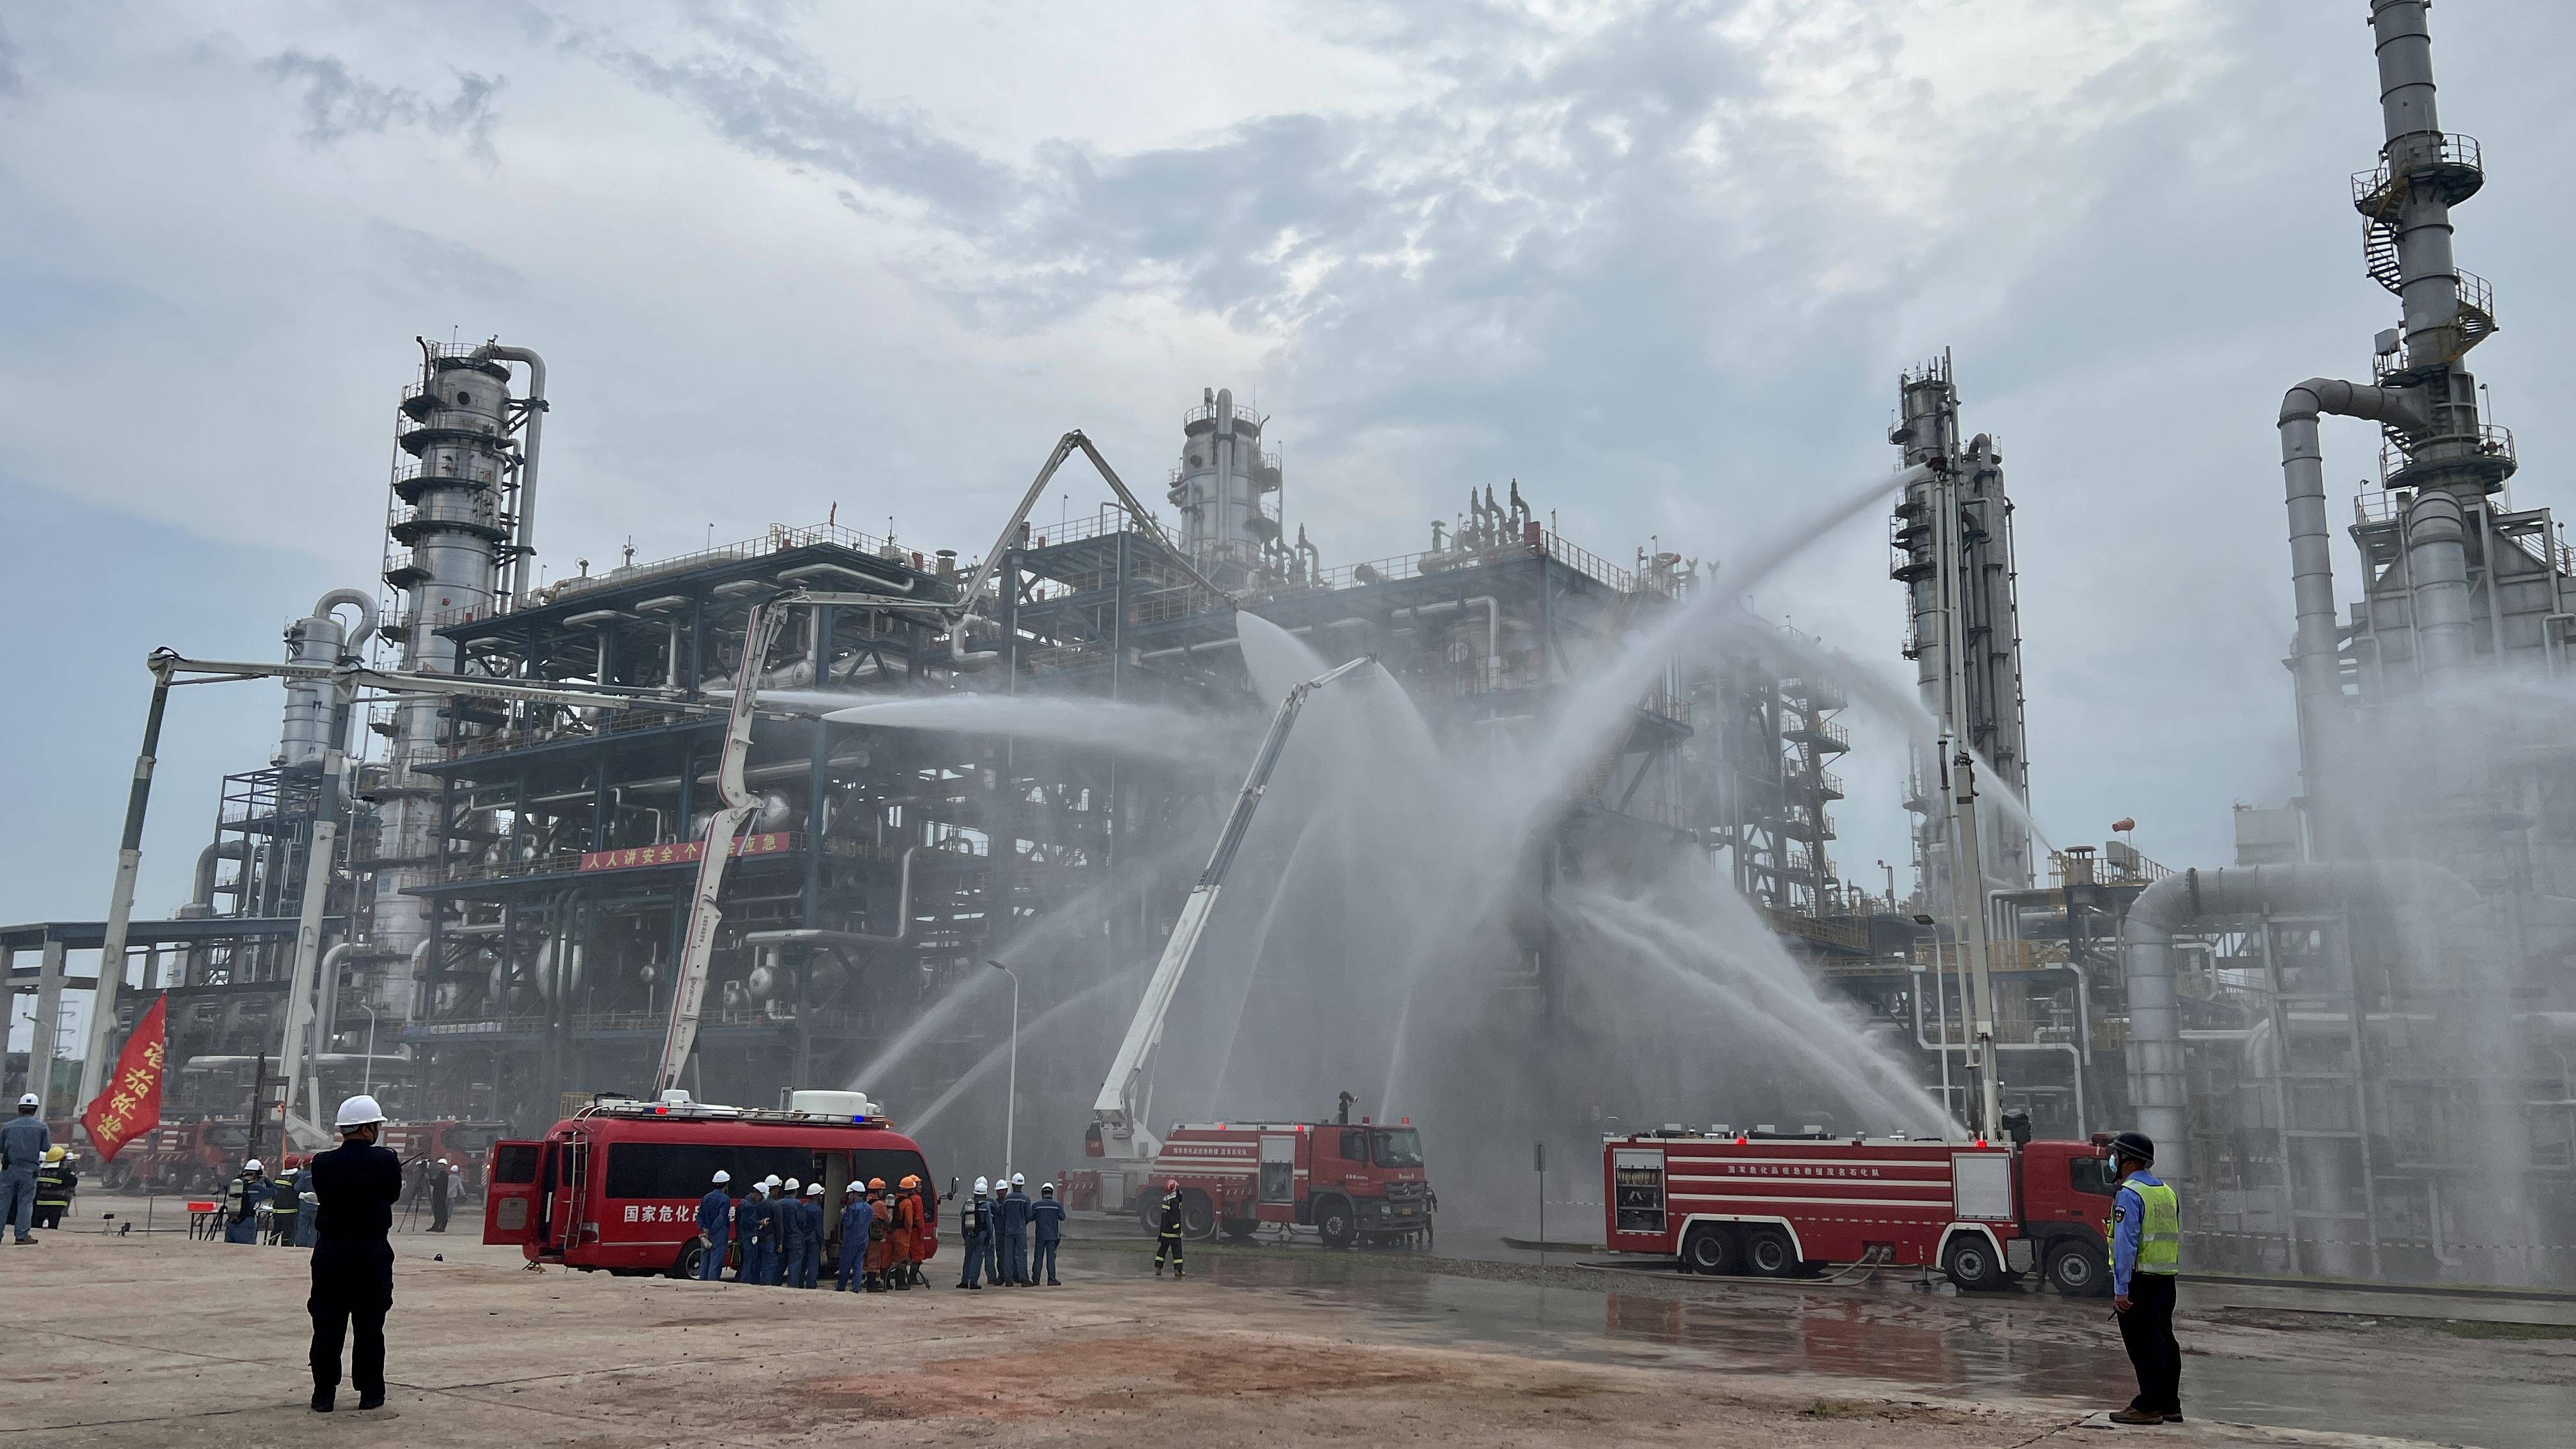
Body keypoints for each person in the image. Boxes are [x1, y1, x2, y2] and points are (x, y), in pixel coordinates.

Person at [309, 1093, 402, 1413]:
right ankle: (371, 1392)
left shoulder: (321, 1163)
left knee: (327, 1326)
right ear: (366, 1129)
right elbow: (392, 1195)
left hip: (330, 1253)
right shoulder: (386, 1160)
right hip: (370, 1252)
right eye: (376, 1125)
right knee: (370, 1326)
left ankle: (323, 1394)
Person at [2104, 1130, 2182, 1426]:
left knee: (2143, 1345)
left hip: (2140, 1282)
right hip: (2165, 1279)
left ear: (2127, 1160)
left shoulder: (2130, 1194)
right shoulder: (2166, 1190)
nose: (2113, 1160)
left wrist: (2121, 1289)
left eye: (2116, 1155)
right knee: (2165, 1341)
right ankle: (2170, 1404)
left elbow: (2126, 1245)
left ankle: (2148, 1405)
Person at [3, 1093, 51, 1245]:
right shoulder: (42, 1127)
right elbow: (46, 1148)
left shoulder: (8, 1126)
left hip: (9, 1170)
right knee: (25, 1203)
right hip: (29, 1171)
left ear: (19, 1109)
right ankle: (22, 1236)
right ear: (35, 1110)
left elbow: (1, 1147)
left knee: (3, 1203)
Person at [696, 1170, 734, 1281]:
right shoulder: (725, 1199)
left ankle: (702, 1285)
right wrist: (712, 1231)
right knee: (715, 1264)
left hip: (705, 1235)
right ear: (726, 1184)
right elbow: (721, 1218)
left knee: (705, 1262)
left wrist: (704, 1229)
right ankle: (712, 1287)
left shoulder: (706, 1197)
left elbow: (699, 1215)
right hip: (719, 1235)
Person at [956, 1177, 993, 1289]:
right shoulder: (986, 1207)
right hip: (981, 1235)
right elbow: (989, 1224)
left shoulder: (968, 1205)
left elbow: (963, 1220)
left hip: (969, 1235)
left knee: (968, 1258)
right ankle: (973, 1282)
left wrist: (965, 1236)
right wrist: (989, 1237)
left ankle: (964, 1281)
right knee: (977, 1259)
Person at [734, 1179, 773, 1285]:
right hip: (748, 1237)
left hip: (743, 1237)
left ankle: (741, 1279)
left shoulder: (744, 1202)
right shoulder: (749, 1206)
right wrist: (760, 1222)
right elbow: (746, 1223)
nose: (760, 1200)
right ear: (758, 1194)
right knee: (748, 1262)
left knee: (745, 1262)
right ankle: (745, 1283)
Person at [836, 1183, 873, 1292]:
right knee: (858, 1265)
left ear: (854, 1194)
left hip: (851, 1241)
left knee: (845, 1265)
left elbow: (848, 1224)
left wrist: (843, 1215)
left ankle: (841, 1287)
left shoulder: (851, 1209)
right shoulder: (869, 1208)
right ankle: (856, 1288)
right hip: (863, 1240)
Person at [998, 1173, 1033, 1286]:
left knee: (1008, 1254)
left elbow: (1003, 1214)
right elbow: (1029, 1216)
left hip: (1009, 1230)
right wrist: (1022, 1223)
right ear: (1022, 1185)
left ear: (1012, 1184)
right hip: (1021, 1230)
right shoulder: (1026, 1199)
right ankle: (1023, 1278)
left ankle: (1008, 1279)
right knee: (1022, 1254)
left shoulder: (1007, 1199)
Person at [224, 1159, 270, 1244]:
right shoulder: (255, 1187)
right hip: (246, 1224)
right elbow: (273, 1192)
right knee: (247, 1252)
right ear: (258, 1173)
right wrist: (266, 1178)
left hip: (231, 1224)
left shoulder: (236, 1183)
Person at [1031, 1181, 1066, 1286]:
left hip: (1040, 1236)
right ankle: (1051, 1279)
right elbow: (1063, 1217)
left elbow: (1030, 1217)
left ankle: (1036, 1279)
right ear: (1052, 1193)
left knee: (1038, 1257)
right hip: (1052, 1236)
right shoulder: (1057, 1206)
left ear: (1042, 1193)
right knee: (1051, 1258)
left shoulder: (1036, 1206)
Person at [34, 1146, 75, 1230]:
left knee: (36, 1227)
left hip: (40, 1203)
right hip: (56, 1204)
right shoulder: (63, 1173)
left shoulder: (39, 1171)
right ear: (61, 1161)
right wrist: (70, 1172)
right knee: (53, 1227)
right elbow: (73, 1182)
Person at [908, 1174, 938, 1288]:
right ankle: (912, 1278)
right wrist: (922, 1233)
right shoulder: (917, 1199)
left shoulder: (908, 1199)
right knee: (918, 1256)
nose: (921, 1187)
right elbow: (919, 1219)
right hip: (916, 1233)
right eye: (919, 1185)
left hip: (909, 1231)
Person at [795, 1182, 826, 1287]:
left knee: (803, 1263)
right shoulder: (818, 1210)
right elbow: (819, 1228)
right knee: (813, 1264)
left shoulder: (803, 1207)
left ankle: (800, 1284)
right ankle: (811, 1284)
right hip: (814, 1241)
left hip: (803, 1239)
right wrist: (822, 1243)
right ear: (817, 1196)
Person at [1153, 1179, 1186, 1278]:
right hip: (1173, 1233)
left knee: (1162, 1250)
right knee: (1177, 1252)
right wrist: (1178, 1229)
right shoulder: (1174, 1202)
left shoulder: (1166, 1200)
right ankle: (1178, 1271)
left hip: (1164, 1232)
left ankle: (1158, 1268)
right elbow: (1174, 1217)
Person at [266, 1155, 301, 1245]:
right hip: (290, 1211)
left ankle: (270, 1247)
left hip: (277, 1210)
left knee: (276, 1231)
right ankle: (285, 1252)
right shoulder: (296, 1177)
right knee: (287, 1233)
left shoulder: (280, 1175)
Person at [289, 1157, 319, 1248]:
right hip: (316, 1206)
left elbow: (297, 1188)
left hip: (304, 1206)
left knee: (302, 1227)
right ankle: (313, 1245)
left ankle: (301, 1245)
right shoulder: (321, 1174)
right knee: (315, 1227)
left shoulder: (302, 1175)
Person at [427, 1157, 452, 1233]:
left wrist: (430, 1179)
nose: (438, 1166)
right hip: (438, 1195)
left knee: (442, 1210)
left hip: (441, 1195)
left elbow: (438, 1184)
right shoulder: (441, 1174)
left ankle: (442, 1226)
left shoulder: (444, 1175)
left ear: (444, 1165)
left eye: (440, 1164)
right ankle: (436, 1225)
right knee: (437, 1210)